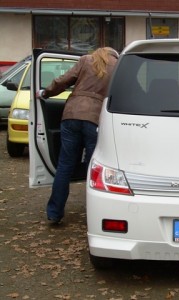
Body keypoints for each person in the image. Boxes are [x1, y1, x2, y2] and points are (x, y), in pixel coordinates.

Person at [36, 47, 119, 224]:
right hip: (96, 119)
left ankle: (54, 213)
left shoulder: (86, 60)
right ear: (114, 55)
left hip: (71, 115)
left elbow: (62, 81)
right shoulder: (118, 66)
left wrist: (45, 93)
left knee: (65, 165)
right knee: (93, 168)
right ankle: (95, 214)